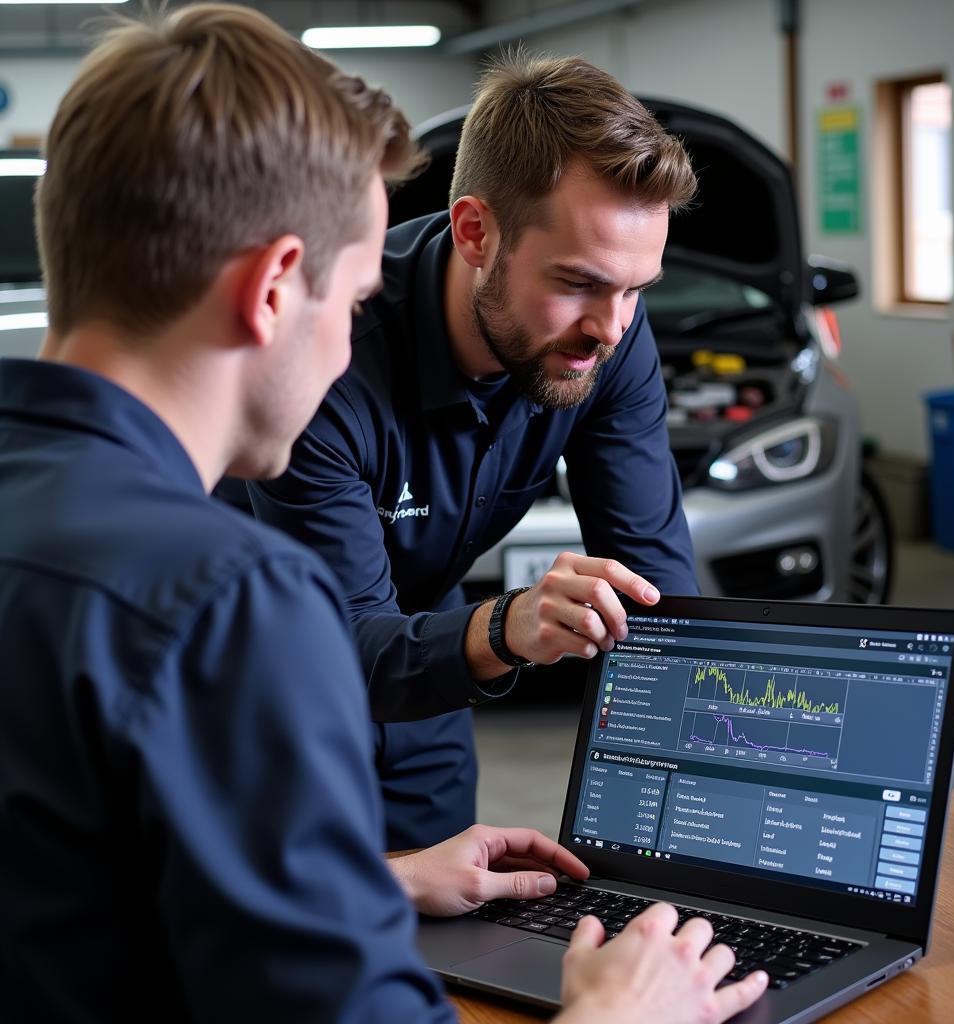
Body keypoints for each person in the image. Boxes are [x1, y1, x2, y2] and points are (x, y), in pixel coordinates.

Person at [0, 5, 768, 1022]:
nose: (346, 336)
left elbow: (99, 892)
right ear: (278, 287)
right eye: (353, 289)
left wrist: (378, 883)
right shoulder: (230, 605)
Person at [250, 51, 701, 851]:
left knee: (451, 950)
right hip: (267, 700)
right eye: (579, 281)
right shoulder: (327, 359)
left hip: (427, 692)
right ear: (475, 232)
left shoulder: (609, 339)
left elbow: (659, 588)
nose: (612, 325)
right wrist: (504, 628)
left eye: (636, 288)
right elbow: (339, 640)